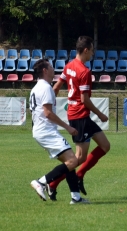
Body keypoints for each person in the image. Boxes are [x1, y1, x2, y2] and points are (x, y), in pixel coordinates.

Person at [48, 36, 111, 200]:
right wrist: (101, 114)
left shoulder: (68, 66)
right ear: (85, 50)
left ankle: (80, 174)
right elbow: (84, 100)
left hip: (78, 116)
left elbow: (56, 87)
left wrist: (49, 103)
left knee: (105, 146)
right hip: (79, 116)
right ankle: (52, 183)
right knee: (78, 158)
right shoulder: (84, 71)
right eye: (91, 50)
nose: (92, 54)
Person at [29, 59, 89, 204]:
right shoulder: (45, 88)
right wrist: (67, 127)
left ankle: (76, 197)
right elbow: (48, 113)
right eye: (50, 66)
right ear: (44, 70)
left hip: (41, 131)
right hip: (46, 131)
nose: (53, 68)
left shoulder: (37, 87)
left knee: (69, 161)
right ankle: (41, 182)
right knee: (73, 160)